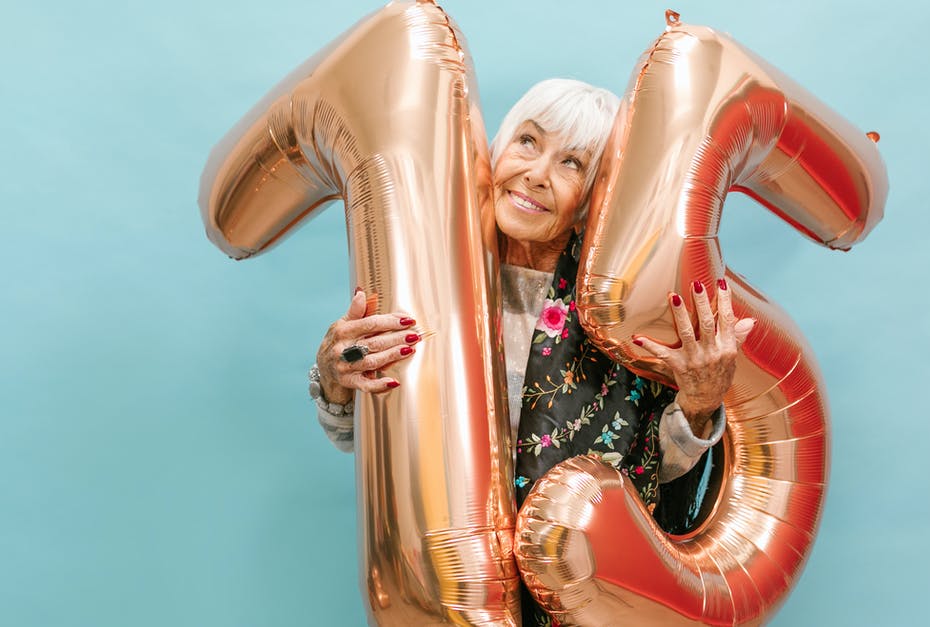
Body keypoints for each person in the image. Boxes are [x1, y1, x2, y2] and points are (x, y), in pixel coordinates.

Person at [307, 78, 755, 625]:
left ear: (594, 199)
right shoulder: (431, 276)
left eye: (571, 163)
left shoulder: (620, 305)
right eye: (528, 141)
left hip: (584, 595)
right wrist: (337, 377)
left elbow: (656, 471)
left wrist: (700, 404)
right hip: (447, 594)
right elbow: (365, 440)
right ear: (497, 149)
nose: (537, 174)